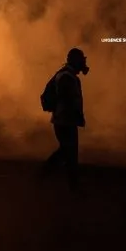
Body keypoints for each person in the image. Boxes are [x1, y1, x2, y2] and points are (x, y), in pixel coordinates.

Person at [42, 47, 88, 190]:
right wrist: (75, 115)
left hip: (65, 121)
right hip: (65, 122)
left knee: (66, 152)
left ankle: (44, 176)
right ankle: (44, 176)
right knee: (69, 153)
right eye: (81, 59)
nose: (83, 62)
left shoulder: (67, 75)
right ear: (75, 61)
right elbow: (66, 99)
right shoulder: (66, 77)